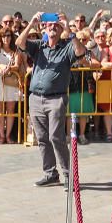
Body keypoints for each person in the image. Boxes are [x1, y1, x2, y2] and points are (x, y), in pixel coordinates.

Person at [16, 12, 86, 187]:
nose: (52, 27)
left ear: (61, 28)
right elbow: (19, 43)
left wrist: (69, 30)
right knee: (41, 137)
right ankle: (50, 173)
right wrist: (32, 22)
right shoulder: (39, 46)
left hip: (56, 98)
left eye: (56, 25)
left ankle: (69, 176)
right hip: (36, 98)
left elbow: (80, 51)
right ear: (44, 28)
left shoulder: (67, 46)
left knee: (56, 137)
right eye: (49, 25)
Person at [0, 28, 25, 144]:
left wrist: (8, 68)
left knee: (10, 110)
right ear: (0, 37)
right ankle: (1, 135)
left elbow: (17, 65)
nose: (6, 38)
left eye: (8, 35)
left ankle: (8, 135)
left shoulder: (16, 50)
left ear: (12, 37)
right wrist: (1, 66)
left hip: (11, 81)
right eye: (4, 35)